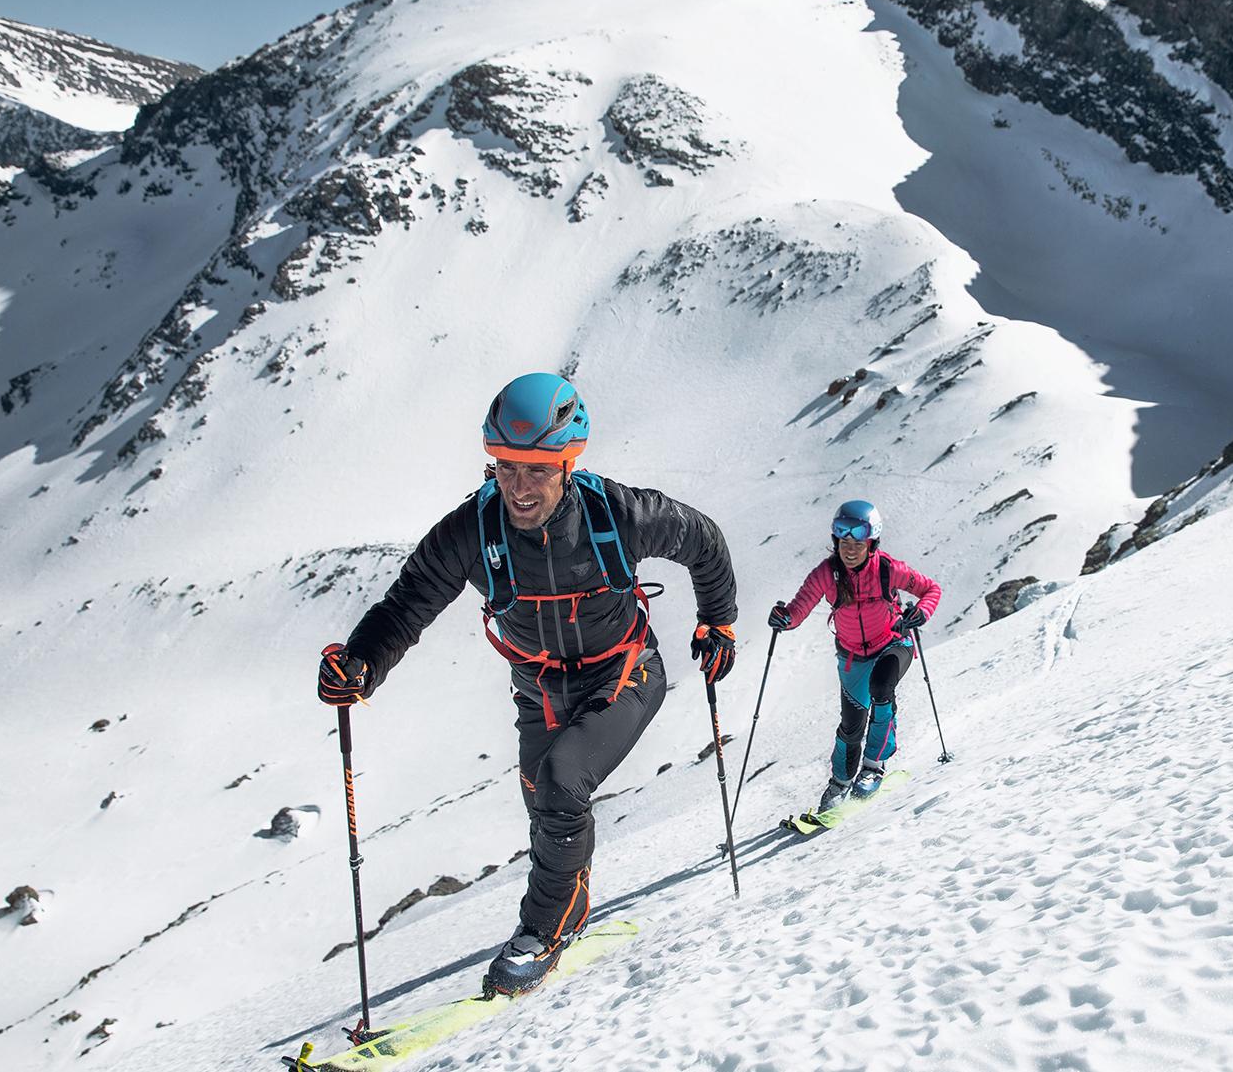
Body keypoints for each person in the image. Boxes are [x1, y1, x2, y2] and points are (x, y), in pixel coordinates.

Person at [315, 372, 739, 995]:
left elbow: (703, 540)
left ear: (568, 461)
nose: (518, 486)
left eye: (536, 468)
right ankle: (568, 900)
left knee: (562, 785)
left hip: (625, 673)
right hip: (538, 692)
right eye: (505, 466)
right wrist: (361, 665)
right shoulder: (472, 531)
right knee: (546, 813)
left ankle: (542, 933)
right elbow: (408, 604)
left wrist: (719, 622)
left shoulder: (617, 515)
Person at [767, 499, 941, 813]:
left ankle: (874, 765)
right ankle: (840, 782)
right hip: (851, 658)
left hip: (893, 643)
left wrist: (921, 613)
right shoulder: (826, 573)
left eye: (858, 542)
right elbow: (800, 607)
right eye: (843, 542)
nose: (849, 549)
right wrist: (785, 619)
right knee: (851, 726)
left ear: (871, 542)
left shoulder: (888, 569)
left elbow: (931, 590)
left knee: (881, 690)